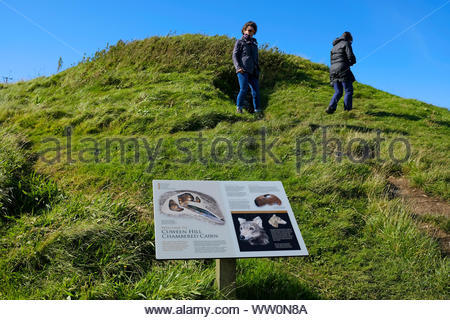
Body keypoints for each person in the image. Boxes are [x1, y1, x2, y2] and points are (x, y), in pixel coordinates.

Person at [232, 21, 262, 116]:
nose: (251, 32)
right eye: (249, 30)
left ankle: (257, 112)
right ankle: (239, 108)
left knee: (256, 92)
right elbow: (235, 55)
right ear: (244, 30)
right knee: (243, 89)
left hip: (253, 71)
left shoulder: (255, 44)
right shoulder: (240, 42)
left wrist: (257, 69)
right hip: (243, 70)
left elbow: (256, 58)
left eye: (253, 31)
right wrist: (238, 67)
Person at [326, 31, 356, 114]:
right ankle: (347, 111)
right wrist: (352, 62)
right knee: (348, 90)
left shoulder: (333, 47)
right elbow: (350, 56)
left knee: (338, 92)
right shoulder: (346, 43)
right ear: (349, 38)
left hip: (332, 70)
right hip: (343, 69)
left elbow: (331, 61)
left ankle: (331, 107)